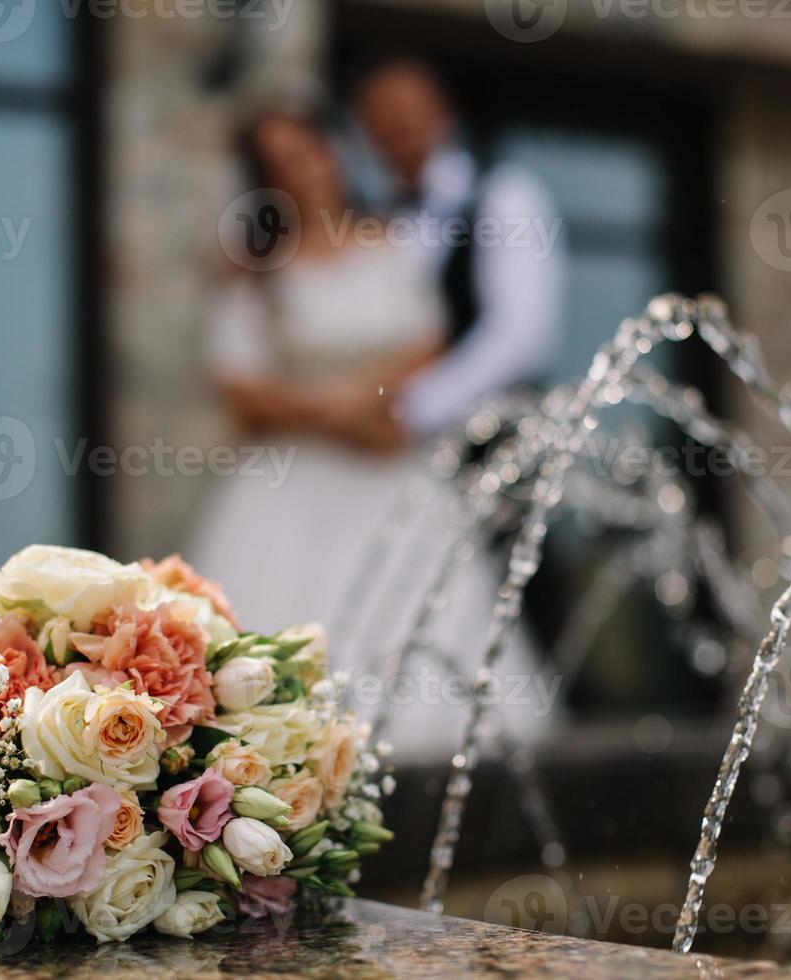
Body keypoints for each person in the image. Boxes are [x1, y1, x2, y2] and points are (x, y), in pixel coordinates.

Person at [191, 109, 562, 759]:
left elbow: (427, 345)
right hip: (289, 482)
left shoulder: (388, 244)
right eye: (279, 164)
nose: (299, 171)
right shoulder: (256, 271)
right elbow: (240, 386)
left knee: (421, 619)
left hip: (389, 468)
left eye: (307, 152)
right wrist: (332, 415)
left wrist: (371, 404)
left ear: (332, 153)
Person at [352, 56, 562, 440]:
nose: (397, 122)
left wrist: (411, 411)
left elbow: (520, 334)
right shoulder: (374, 224)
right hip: (384, 447)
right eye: (381, 112)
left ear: (444, 114)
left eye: (408, 107)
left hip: (493, 441)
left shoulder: (505, 195)